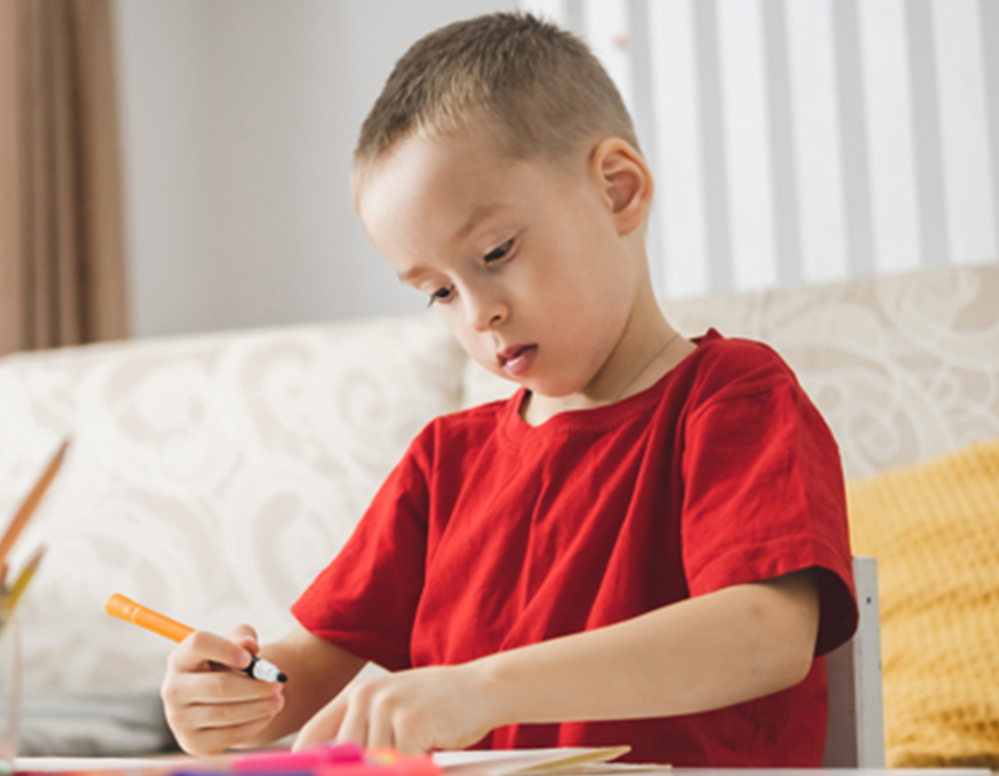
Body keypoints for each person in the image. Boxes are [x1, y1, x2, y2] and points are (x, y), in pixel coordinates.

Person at [159, 12, 857, 767]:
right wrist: (225, 697)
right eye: (436, 292)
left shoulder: (733, 397)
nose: (478, 311)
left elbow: (766, 635)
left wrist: (481, 690)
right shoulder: (442, 465)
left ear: (618, 191)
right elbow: (294, 683)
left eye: (496, 251)